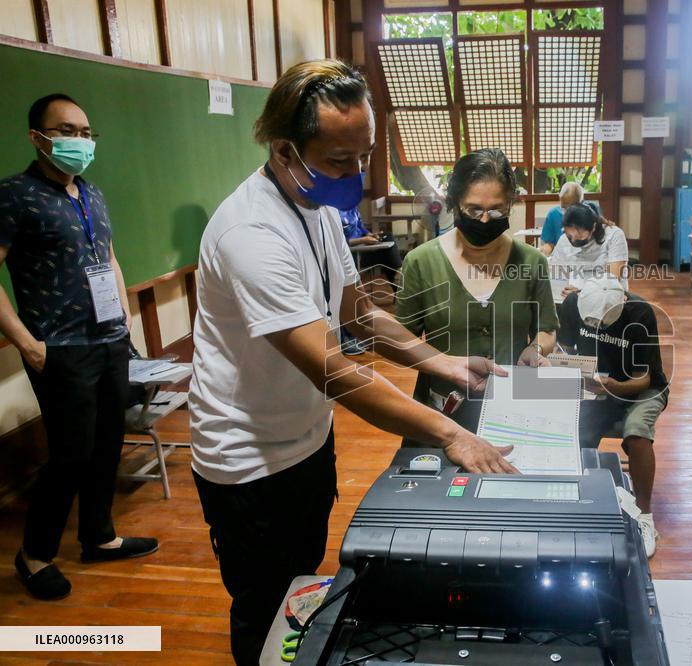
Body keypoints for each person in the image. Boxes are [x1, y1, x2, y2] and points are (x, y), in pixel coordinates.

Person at [188, 61, 515, 665]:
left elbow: (358, 316)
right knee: (263, 603)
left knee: (302, 583)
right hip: (248, 457)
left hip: (304, 436)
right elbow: (334, 368)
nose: (357, 174)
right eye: (340, 160)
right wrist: (450, 432)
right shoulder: (252, 233)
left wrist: (439, 361)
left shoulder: (314, 208)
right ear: (286, 150)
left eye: (363, 155)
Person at [0, 94, 157, 601]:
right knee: (70, 455)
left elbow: (107, 256)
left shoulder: (91, 193)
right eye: (67, 130)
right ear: (37, 137)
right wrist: (27, 343)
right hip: (60, 348)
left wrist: (123, 313)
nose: (79, 141)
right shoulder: (15, 196)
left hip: (109, 341)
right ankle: (35, 555)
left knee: (109, 443)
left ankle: (99, 536)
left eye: (86, 132)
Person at [395, 148, 559, 436]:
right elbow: (402, 341)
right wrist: (446, 365)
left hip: (512, 409)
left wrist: (535, 349)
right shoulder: (421, 263)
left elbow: (547, 329)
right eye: (474, 210)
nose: (485, 220)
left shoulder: (532, 263)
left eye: (497, 210)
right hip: (441, 412)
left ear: (511, 204)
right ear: (454, 203)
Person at [558, 278, 668, 557]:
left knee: (637, 431)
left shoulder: (640, 313)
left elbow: (644, 378)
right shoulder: (573, 304)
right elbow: (565, 348)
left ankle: (644, 514)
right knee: (574, 429)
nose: (595, 327)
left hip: (638, 388)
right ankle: (576, 502)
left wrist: (613, 387)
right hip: (597, 383)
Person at [338, 205, 402, 354]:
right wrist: (363, 239)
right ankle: (348, 335)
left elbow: (361, 227)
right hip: (350, 250)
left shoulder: (352, 206)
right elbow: (339, 240)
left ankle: (399, 282)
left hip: (363, 247)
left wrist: (372, 236)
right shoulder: (332, 209)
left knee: (388, 238)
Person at [550, 202, 629, 296]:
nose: (573, 240)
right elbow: (556, 276)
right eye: (569, 236)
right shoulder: (563, 241)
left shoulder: (613, 235)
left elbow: (612, 281)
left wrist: (582, 292)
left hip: (608, 297)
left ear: (593, 228)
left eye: (579, 236)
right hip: (572, 297)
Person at [540, 181, 585, 256]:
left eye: (570, 208)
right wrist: (543, 251)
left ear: (581, 203)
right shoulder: (553, 214)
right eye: (563, 208)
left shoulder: (589, 216)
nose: (566, 212)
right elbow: (550, 244)